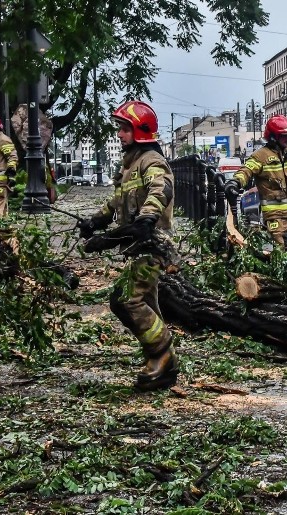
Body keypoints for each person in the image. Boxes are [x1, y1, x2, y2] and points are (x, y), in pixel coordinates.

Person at [76, 100, 179, 391]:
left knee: (127, 299)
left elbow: (162, 189)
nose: (119, 135)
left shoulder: (151, 162)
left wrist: (148, 216)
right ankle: (160, 361)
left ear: (140, 131)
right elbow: (115, 204)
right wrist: (94, 223)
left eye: (124, 129)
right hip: (137, 246)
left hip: (152, 245)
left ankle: (162, 353)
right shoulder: (131, 165)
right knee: (145, 302)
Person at [223, 115, 287, 252]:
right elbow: (246, 170)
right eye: (284, 136)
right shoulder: (260, 156)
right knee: (283, 255)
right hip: (276, 218)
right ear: (273, 137)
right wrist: (235, 182)